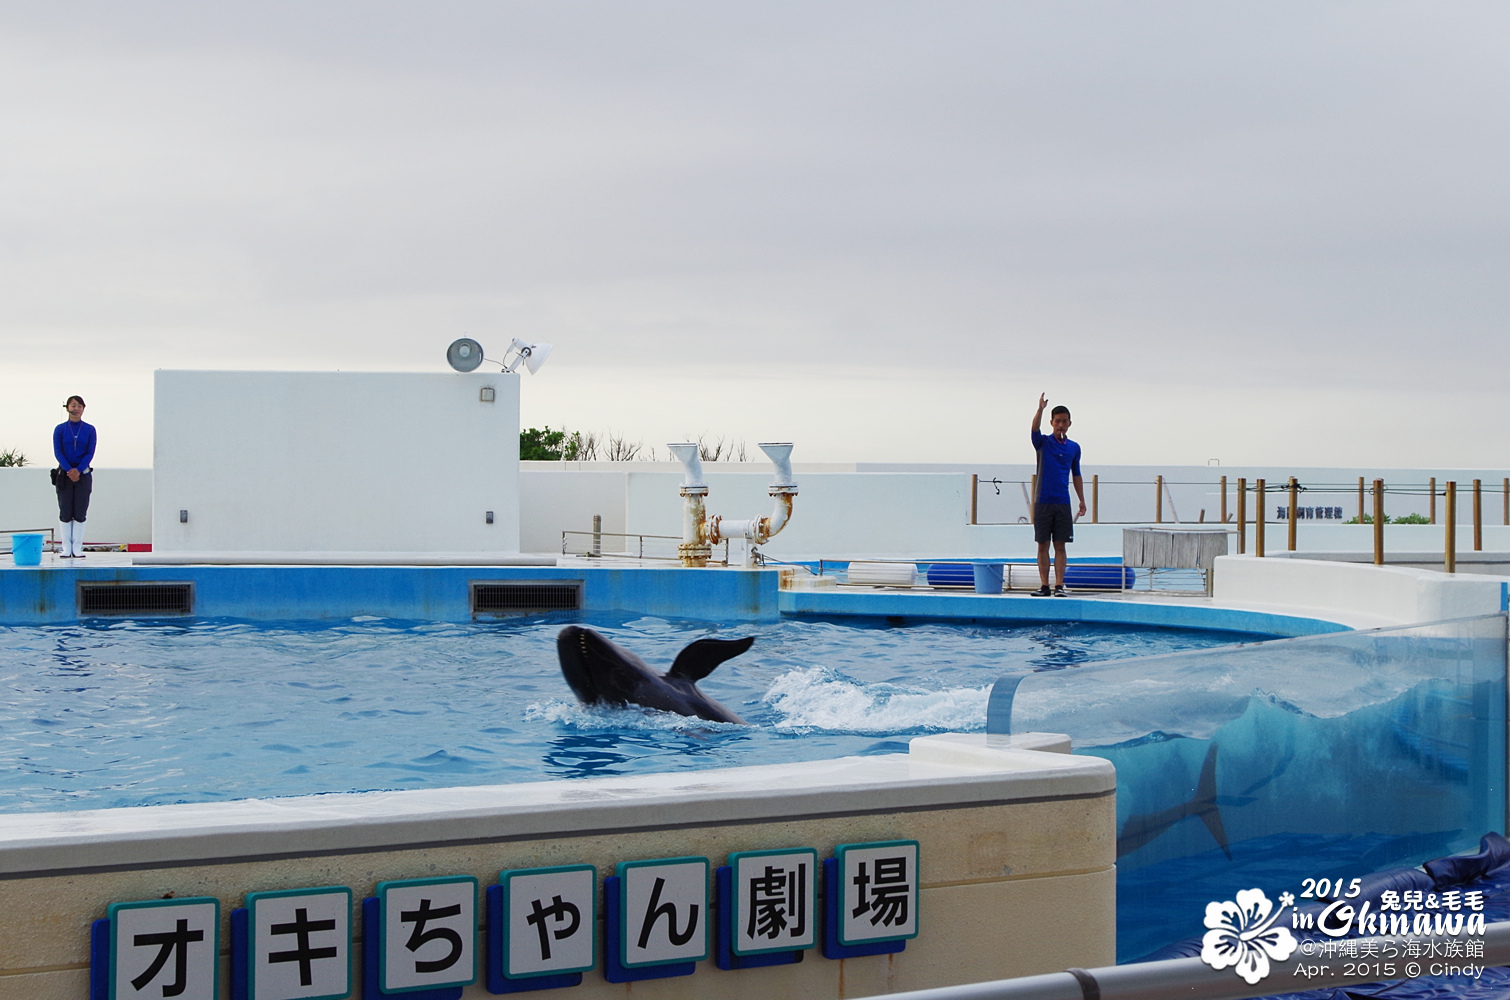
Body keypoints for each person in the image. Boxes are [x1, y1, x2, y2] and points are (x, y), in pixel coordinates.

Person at [1029, 394, 1085, 596]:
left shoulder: (1074, 448)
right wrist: (1040, 410)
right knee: (1042, 544)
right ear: (1052, 423)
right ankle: (1044, 586)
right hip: (1042, 501)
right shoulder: (1043, 443)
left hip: (1063, 502)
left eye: (1064, 421)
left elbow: (1076, 474)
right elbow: (1034, 429)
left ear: (1069, 423)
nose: (1061, 425)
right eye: (1057, 421)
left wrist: (1082, 500)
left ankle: (1059, 586)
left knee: (1060, 545)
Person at [53, 395, 96, 559]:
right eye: (73, 405)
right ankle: (66, 547)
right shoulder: (60, 429)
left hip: (83, 475)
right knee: (65, 510)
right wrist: (69, 470)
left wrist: (78, 470)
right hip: (64, 476)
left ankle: (77, 547)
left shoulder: (90, 429)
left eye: (79, 406)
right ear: (67, 408)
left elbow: (90, 452)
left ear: (83, 408)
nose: (75, 409)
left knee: (80, 510)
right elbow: (58, 452)